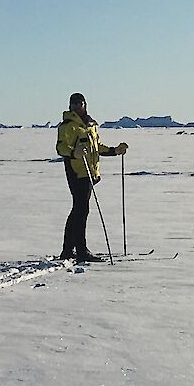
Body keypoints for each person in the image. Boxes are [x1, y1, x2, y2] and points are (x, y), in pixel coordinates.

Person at [56, 93, 127, 262]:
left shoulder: (91, 125)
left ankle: (68, 249)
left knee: (78, 210)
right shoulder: (67, 126)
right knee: (81, 210)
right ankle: (81, 250)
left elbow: (96, 147)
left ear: (84, 104)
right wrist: (74, 152)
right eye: (73, 104)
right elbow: (61, 148)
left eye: (78, 104)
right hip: (77, 171)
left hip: (90, 172)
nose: (76, 107)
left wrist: (114, 150)